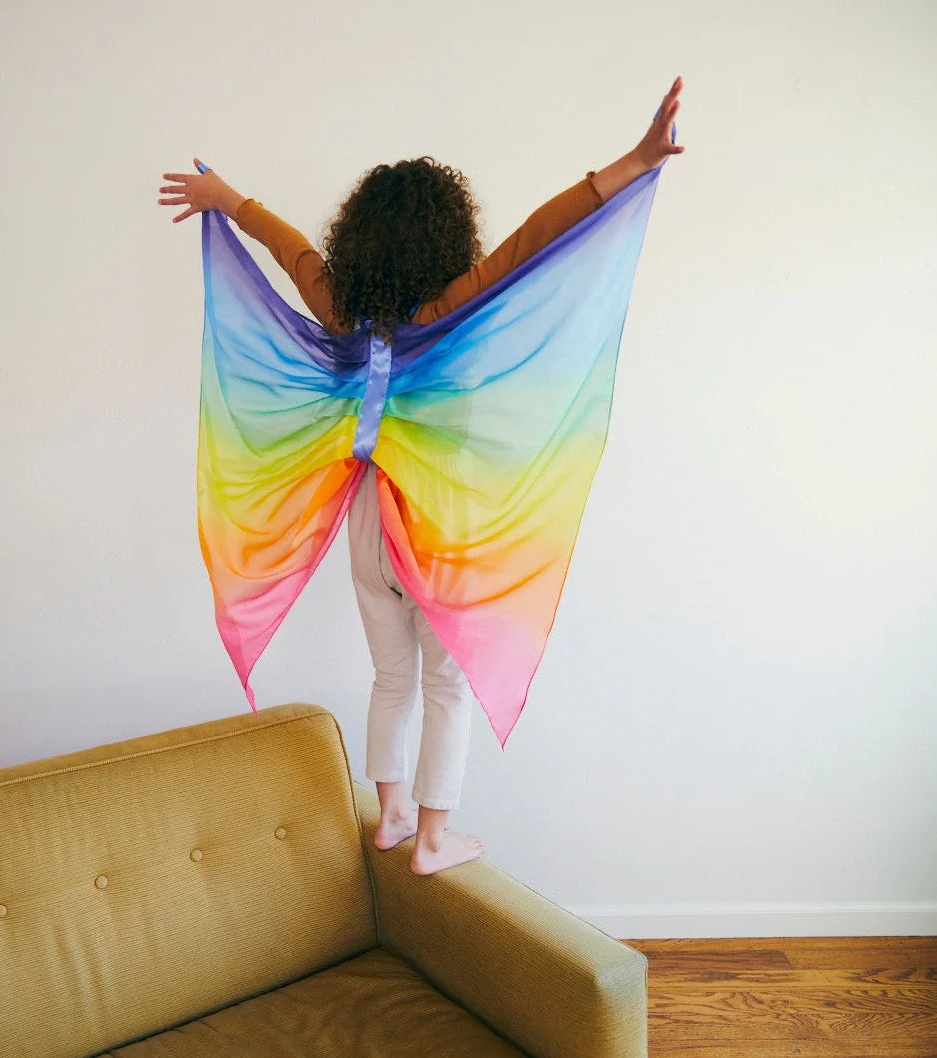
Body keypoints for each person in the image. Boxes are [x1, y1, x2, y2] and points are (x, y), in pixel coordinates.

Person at [159, 75, 684, 876]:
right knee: (448, 684)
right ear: (449, 236)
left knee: (392, 676)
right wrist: (634, 162)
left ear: (361, 237)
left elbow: (288, 244)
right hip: (439, 526)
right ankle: (434, 836)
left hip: (366, 519)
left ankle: (391, 812)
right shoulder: (457, 305)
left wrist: (223, 195)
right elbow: (541, 234)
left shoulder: (340, 306)